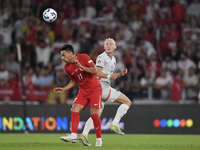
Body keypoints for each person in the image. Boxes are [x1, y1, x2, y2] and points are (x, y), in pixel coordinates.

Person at [79, 38, 131, 146]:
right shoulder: (101, 57)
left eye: (111, 44)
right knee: (127, 102)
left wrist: (120, 74)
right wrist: (108, 76)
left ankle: (84, 134)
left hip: (102, 87)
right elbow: (97, 72)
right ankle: (115, 123)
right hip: (101, 87)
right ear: (104, 47)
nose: (108, 45)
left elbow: (111, 75)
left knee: (96, 115)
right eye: (107, 44)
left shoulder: (114, 59)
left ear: (115, 47)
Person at [53, 44, 103, 147]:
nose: (62, 58)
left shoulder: (83, 57)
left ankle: (99, 140)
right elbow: (74, 80)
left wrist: (82, 67)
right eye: (61, 56)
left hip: (95, 89)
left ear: (70, 53)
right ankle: (73, 135)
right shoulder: (67, 67)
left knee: (94, 114)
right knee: (74, 109)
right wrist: (63, 88)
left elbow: (95, 71)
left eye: (64, 55)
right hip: (83, 91)